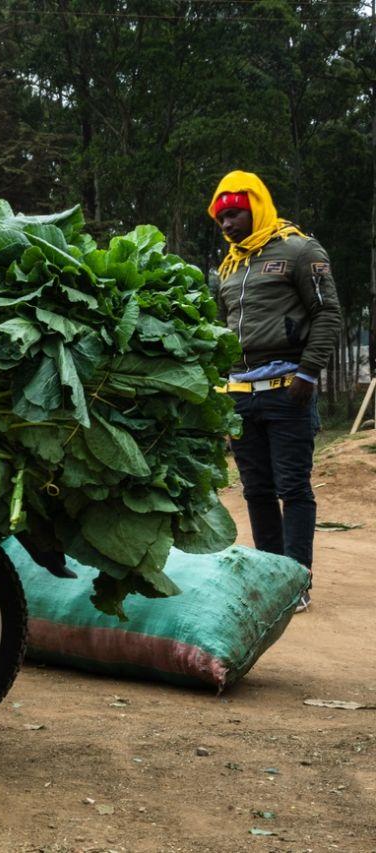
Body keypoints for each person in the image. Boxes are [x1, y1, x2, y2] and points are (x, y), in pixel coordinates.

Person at [207, 170, 340, 612]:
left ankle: (296, 581)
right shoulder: (229, 266)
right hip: (240, 393)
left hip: (288, 389)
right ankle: (270, 576)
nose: (226, 224)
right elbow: (220, 328)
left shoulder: (300, 250)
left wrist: (308, 373)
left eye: (234, 213)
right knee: (256, 489)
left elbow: (328, 316)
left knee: (293, 488)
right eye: (221, 216)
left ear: (257, 205)